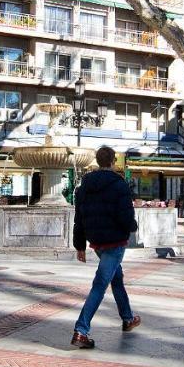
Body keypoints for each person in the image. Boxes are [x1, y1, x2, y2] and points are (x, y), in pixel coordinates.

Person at [70, 146, 140, 350]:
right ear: (112, 162)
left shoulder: (84, 186)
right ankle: (81, 330)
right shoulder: (119, 185)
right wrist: (133, 227)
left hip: (97, 241)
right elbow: (125, 215)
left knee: (116, 278)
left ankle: (128, 319)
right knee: (100, 284)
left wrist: (80, 245)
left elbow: (79, 218)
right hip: (115, 241)